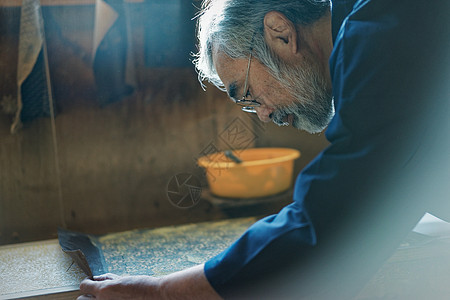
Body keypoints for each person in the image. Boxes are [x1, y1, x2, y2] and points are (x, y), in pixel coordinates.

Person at [78, 0, 450, 299]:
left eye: (246, 93)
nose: (265, 116)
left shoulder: (379, 29)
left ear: (280, 32)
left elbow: (331, 220)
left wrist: (162, 292)